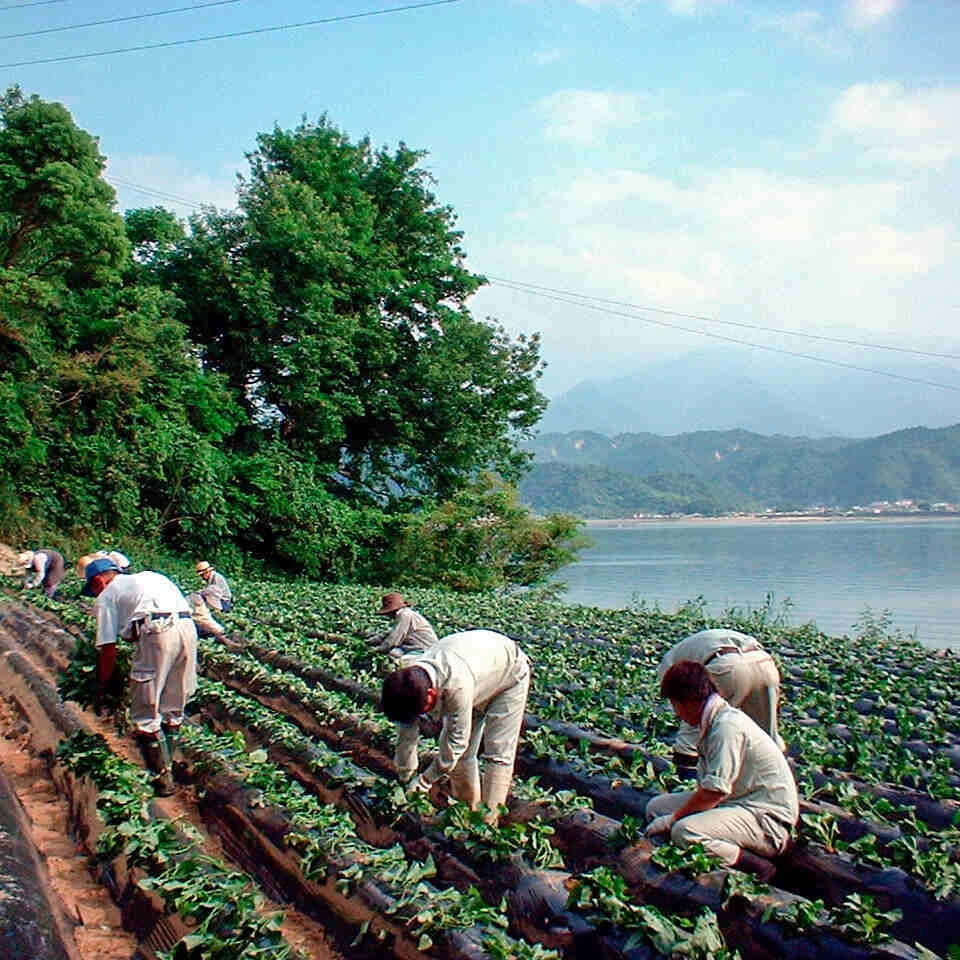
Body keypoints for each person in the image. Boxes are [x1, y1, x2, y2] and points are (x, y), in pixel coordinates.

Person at [645, 660, 799, 882]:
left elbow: (714, 792)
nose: (676, 712)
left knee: (685, 831)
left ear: (687, 702)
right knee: (655, 807)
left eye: (674, 704)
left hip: (766, 819)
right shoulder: (715, 719)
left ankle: (759, 867)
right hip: (738, 802)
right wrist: (669, 816)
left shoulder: (726, 727)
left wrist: (673, 820)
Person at [381, 629, 531, 825]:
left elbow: (456, 742)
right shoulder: (407, 681)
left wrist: (425, 781)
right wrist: (406, 775)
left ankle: (487, 822)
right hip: (479, 673)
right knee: (463, 756)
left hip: (509, 673)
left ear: (431, 696)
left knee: (497, 752)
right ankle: (466, 811)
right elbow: (406, 731)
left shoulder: (455, 686)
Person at [82, 557, 197, 797]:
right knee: (173, 704)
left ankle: (161, 779)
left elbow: (108, 647)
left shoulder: (106, 596)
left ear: (98, 581)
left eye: (92, 588)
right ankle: (169, 769)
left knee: (146, 709)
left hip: (158, 631)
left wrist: (103, 683)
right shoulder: (149, 576)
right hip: (188, 628)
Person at [657, 628, 785, 774]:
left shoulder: (668, 667)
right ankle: (780, 780)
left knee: (691, 734)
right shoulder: (687, 648)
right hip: (764, 662)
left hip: (726, 666)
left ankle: (685, 782)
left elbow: (684, 700)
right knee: (766, 735)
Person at [367, 592, 438, 661]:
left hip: (423, 648)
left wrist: (378, 649)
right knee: (394, 652)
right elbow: (390, 633)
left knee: (393, 655)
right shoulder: (404, 614)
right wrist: (371, 640)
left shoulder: (405, 615)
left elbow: (394, 638)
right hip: (412, 647)